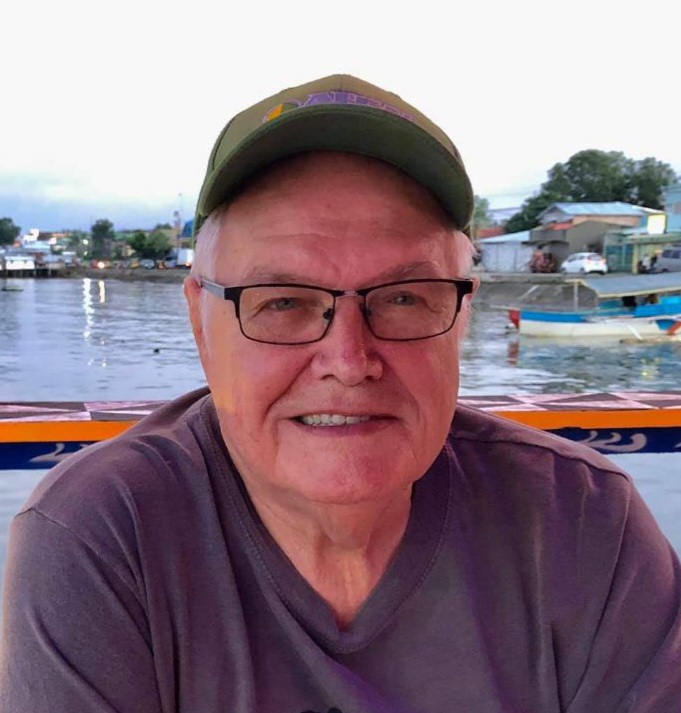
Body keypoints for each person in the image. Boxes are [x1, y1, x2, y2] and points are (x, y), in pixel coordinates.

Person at [2, 75, 681, 712]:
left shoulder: (578, 520)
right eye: (282, 301)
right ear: (199, 323)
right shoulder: (103, 535)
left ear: (462, 315)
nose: (350, 362)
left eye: (404, 297)